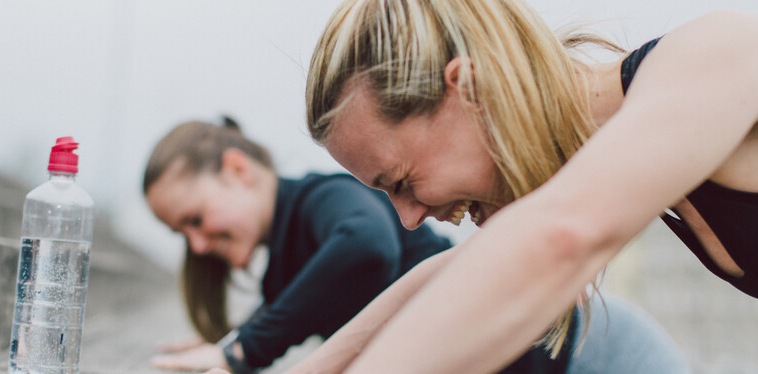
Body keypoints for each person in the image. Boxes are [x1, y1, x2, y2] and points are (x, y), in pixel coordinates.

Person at [259, 0, 758, 374]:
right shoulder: (613, 154)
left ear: (467, 88)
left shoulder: (717, 58)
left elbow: (558, 238)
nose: (406, 217)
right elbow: (458, 274)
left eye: (400, 179)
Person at [143, 118, 689, 373]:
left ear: (238, 170)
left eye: (195, 217)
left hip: (594, 355)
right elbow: (291, 314)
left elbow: (365, 248)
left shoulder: (323, 199)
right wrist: (230, 342)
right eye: (180, 235)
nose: (196, 242)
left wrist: (242, 350)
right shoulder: (286, 270)